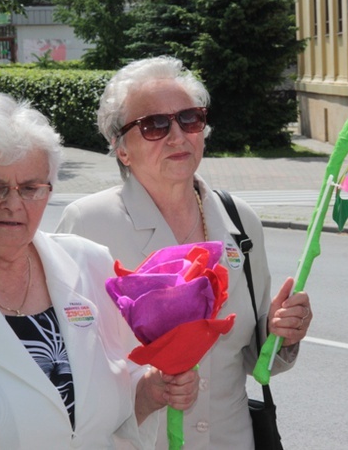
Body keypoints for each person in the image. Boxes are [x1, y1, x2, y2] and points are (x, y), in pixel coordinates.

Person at [0, 93, 199, 449]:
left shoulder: (90, 265)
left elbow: (109, 415)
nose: (13, 205)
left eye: (31, 188)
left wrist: (151, 391)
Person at [56, 55, 313, 449]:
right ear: (121, 148)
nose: (177, 136)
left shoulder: (238, 221)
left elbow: (253, 359)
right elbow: (63, 365)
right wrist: (142, 391)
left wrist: (283, 334)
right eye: (155, 125)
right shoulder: (88, 226)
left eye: (189, 119)